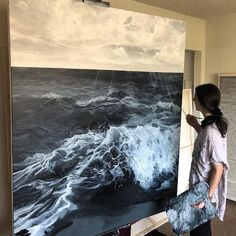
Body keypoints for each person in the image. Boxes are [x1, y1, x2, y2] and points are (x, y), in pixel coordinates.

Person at [186, 83, 229, 236]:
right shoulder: (209, 125)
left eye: (195, 97)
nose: (192, 99)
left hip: (203, 190)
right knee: (196, 227)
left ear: (202, 102)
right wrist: (195, 125)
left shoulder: (212, 132)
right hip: (199, 186)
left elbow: (219, 169)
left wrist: (206, 198)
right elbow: (206, 145)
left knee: (200, 230)